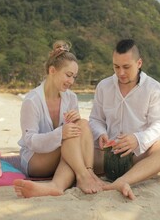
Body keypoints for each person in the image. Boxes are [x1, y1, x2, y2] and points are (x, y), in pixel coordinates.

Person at [13, 40, 104, 198]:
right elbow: (30, 141)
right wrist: (61, 133)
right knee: (71, 136)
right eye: (68, 75)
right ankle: (84, 175)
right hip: (36, 159)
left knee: (82, 124)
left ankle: (60, 185)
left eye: (74, 77)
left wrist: (73, 122)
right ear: (52, 70)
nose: (71, 81)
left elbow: (76, 135)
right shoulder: (32, 101)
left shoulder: (71, 98)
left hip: (64, 155)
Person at [89, 39, 160, 200]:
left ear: (139, 63)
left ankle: (123, 181)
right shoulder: (103, 86)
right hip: (105, 154)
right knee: (72, 150)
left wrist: (137, 139)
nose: (121, 72)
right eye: (116, 67)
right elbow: (95, 119)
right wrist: (100, 133)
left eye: (126, 67)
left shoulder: (154, 89)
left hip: (137, 156)